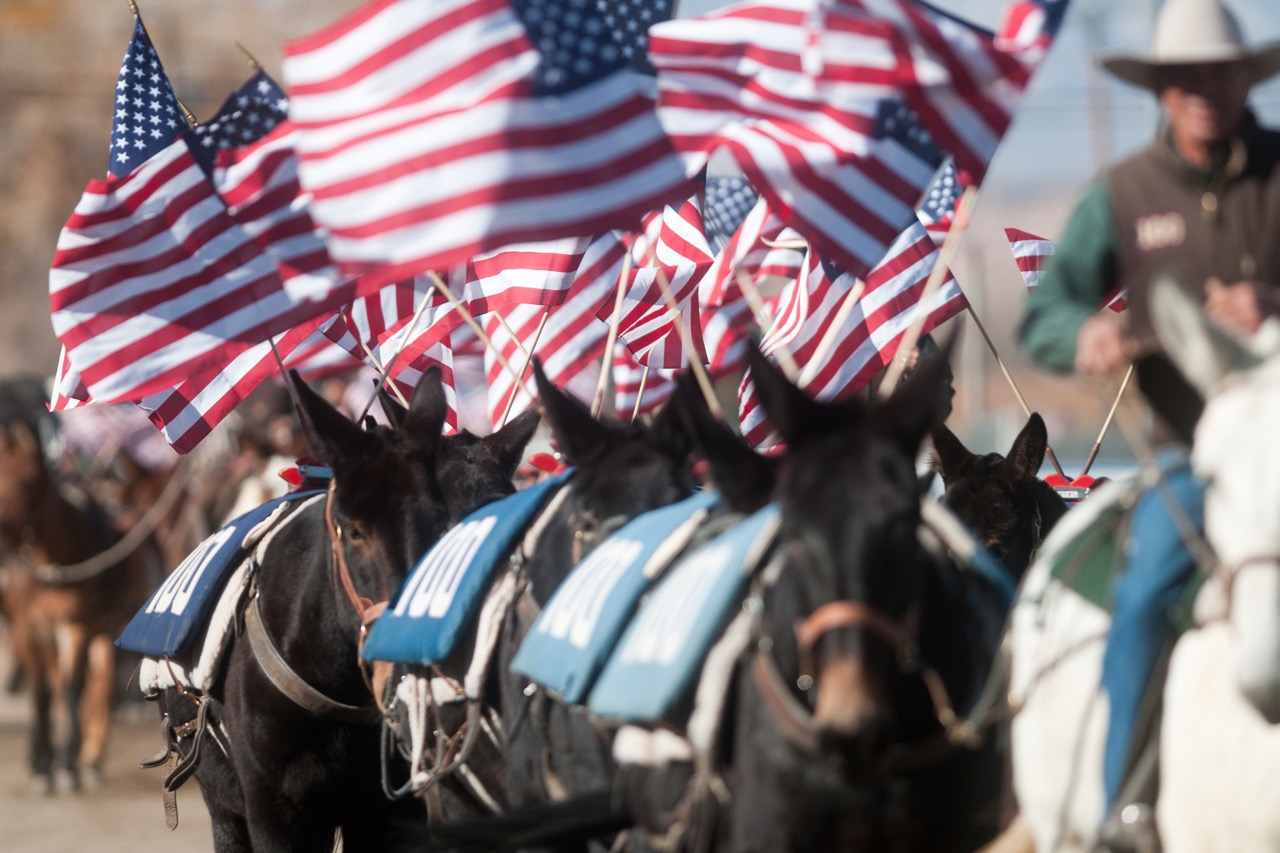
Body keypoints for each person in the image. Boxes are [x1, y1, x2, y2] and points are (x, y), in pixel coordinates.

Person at [1017, 0, 1280, 844]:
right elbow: (1046, 313)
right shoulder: (1123, 194)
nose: (1205, 89)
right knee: (1142, 599)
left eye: (1220, 72)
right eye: (1185, 77)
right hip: (1190, 454)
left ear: (1247, 78)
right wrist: (1085, 331)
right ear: (1162, 90)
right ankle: (1127, 803)